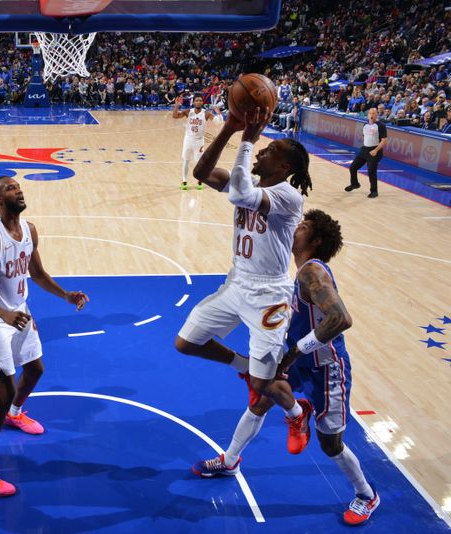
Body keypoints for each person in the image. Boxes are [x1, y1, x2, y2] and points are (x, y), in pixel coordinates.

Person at [193, 209, 380, 526]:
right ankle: (230, 460)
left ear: (316, 240)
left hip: (326, 369)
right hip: (299, 362)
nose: (296, 227)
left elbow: (341, 319)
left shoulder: (312, 272)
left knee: (329, 443)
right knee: (260, 399)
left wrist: (292, 352)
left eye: (304, 226)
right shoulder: (300, 273)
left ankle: (366, 494)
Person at [175, 108, 314, 465]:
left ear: (283, 168)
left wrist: (249, 139)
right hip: (236, 282)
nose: (262, 152)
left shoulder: (288, 196)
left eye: (271, 152)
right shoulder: (251, 184)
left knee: (268, 384)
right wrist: (229, 130)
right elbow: (201, 173)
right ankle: (246, 368)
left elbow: (238, 193)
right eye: (262, 148)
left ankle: (297, 412)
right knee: (186, 342)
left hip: (269, 296)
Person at [0, 176, 89, 496]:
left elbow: (37, 274)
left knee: (35, 370)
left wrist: (66, 295)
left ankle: (15, 415)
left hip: (19, 309)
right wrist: (3, 314)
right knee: (3, 390)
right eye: (10, 188)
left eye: (19, 187)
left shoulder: (30, 230)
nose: (18, 190)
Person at [171, 94, 217, 191]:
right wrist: (177, 106)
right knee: (186, 160)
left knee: (199, 163)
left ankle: (200, 180)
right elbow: (175, 116)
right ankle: (184, 181)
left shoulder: (206, 113)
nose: (199, 102)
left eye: (200, 100)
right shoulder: (188, 112)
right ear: (194, 102)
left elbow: (218, 121)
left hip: (199, 141)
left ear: (202, 102)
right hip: (188, 139)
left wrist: (219, 113)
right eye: (197, 100)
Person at [345, 108, 387, 199]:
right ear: (368, 115)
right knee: (353, 167)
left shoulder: (381, 125)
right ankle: (355, 184)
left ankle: (374, 191)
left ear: (377, 114)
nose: (372, 115)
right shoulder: (365, 125)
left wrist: (376, 150)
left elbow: (384, 141)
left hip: (375, 151)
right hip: (364, 150)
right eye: (370, 113)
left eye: (374, 113)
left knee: (371, 171)